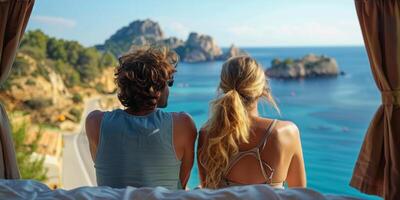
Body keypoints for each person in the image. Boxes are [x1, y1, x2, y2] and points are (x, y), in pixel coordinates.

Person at [85, 47, 197, 190]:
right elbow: (181, 184)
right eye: (169, 83)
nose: (169, 89)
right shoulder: (184, 125)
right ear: (157, 87)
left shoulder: (95, 122)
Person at [197, 56, 306, 189]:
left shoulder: (207, 134)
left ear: (222, 87)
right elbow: (300, 193)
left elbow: (207, 189)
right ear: (261, 89)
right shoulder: (285, 132)